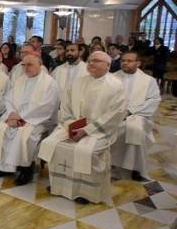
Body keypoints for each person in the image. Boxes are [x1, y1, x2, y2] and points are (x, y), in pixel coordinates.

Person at [39, 51, 126, 204]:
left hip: (98, 132)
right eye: (90, 60)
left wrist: (87, 130)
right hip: (72, 127)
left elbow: (115, 114)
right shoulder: (78, 82)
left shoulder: (116, 86)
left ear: (108, 65)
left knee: (85, 151)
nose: (92, 63)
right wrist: (70, 125)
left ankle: (85, 192)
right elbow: (65, 106)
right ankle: (58, 186)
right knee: (52, 143)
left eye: (97, 61)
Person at [0, 52, 59, 185]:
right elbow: (9, 99)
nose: (26, 68)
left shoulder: (49, 83)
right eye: (24, 65)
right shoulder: (21, 79)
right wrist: (12, 115)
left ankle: (27, 168)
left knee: (23, 133)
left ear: (40, 64)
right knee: (1, 128)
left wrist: (21, 117)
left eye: (30, 64)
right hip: (17, 116)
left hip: (39, 120)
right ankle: (5, 167)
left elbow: (46, 107)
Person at [111, 51, 161, 181]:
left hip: (140, 115)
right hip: (115, 115)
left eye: (129, 61)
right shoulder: (112, 77)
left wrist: (131, 111)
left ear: (138, 63)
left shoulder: (148, 81)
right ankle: (113, 162)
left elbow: (154, 100)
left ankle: (136, 168)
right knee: (111, 128)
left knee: (135, 129)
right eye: (123, 60)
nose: (125, 63)